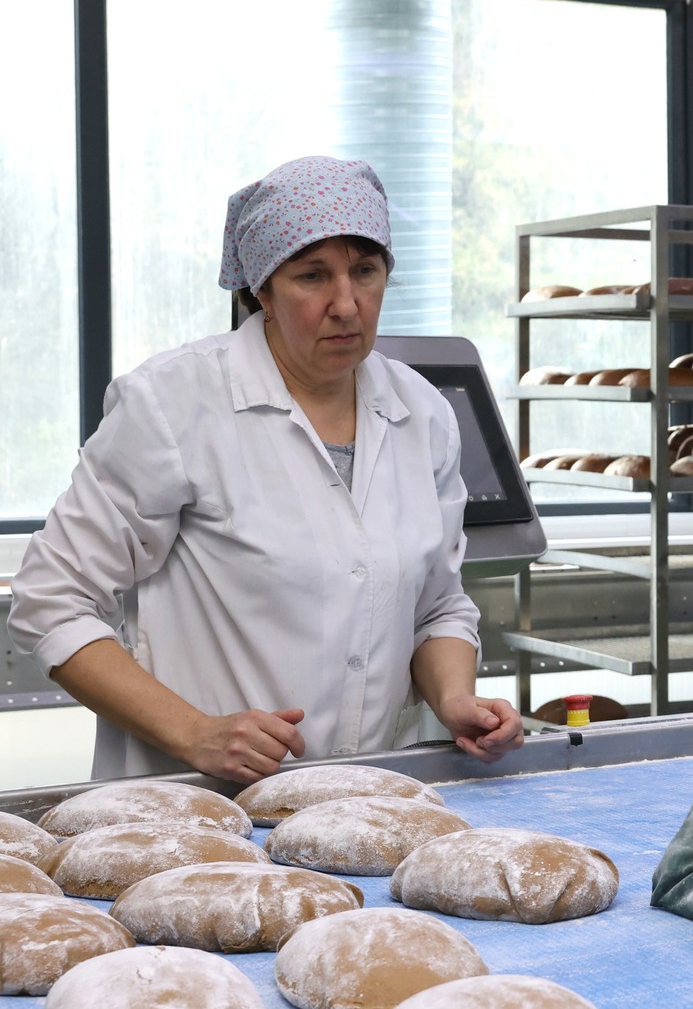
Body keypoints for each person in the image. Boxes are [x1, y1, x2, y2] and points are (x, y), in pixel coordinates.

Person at [9, 155, 522, 784]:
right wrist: (194, 732)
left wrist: (454, 698)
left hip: (364, 799)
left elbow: (436, 607)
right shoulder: (174, 403)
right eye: (312, 276)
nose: (346, 304)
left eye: (365, 271)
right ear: (261, 292)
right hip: (199, 806)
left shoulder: (424, 413)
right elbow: (51, 602)